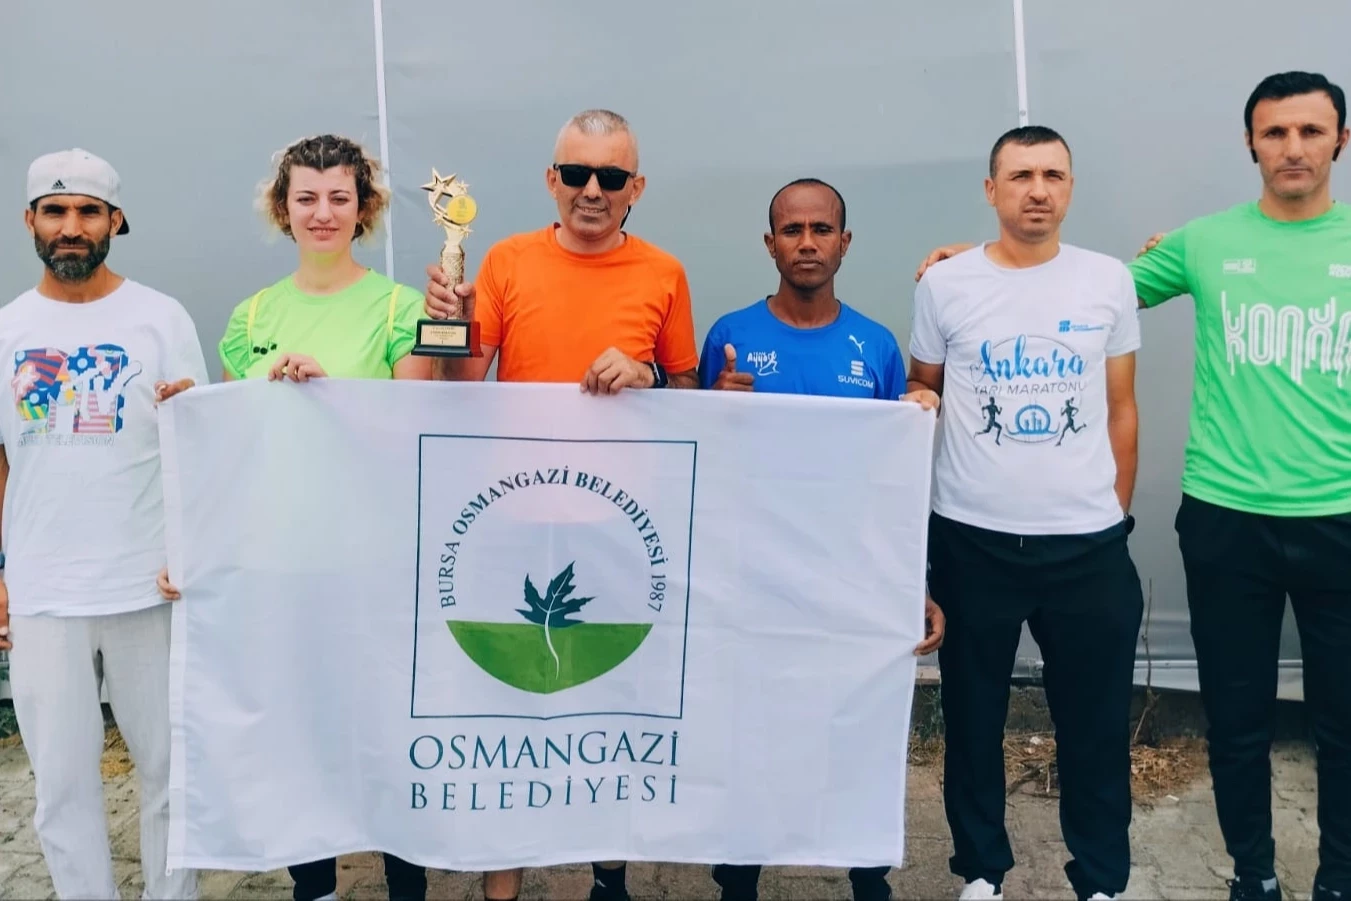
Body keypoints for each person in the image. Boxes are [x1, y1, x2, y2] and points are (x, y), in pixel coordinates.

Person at [916, 71, 1351, 901]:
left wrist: (1107, 514)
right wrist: (962, 261)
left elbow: (1085, 316)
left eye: (1308, 130)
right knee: (1233, 720)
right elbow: (1045, 284)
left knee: (1339, 719)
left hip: (1334, 513)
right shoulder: (1203, 243)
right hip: (1224, 517)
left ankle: (1331, 878)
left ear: (1340, 140)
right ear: (1250, 143)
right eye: (1274, 131)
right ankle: (1250, 875)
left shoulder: (1128, 275)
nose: (1291, 147)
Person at [421, 108, 699, 901]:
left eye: (610, 176)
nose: (591, 190)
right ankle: (501, 883)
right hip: (511, 519)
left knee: (610, 702)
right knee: (502, 701)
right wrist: (446, 325)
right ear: (551, 180)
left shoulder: (664, 273)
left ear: (635, 187)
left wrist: (649, 376)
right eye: (576, 173)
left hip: (619, 527)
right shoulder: (505, 260)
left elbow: (687, 388)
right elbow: (462, 384)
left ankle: (608, 874)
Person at [158, 134, 432, 901]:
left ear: (364, 208)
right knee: (294, 727)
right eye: (306, 197)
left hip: (371, 557)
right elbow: (234, 452)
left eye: (339, 197)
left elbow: (406, 429)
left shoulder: (400, 308)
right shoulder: (250, 317)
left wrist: (328, 394)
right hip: (278, 558)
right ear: (283, 208)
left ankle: (405, 883)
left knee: (380, 727)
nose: (322, 212)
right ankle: (315, 886)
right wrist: (191, 415)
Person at [907, 126, 1143, 901]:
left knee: (1094, 724)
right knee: (972, 719)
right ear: (990, 190)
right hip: (972, 540)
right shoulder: (944, 285)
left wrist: (1113, 516)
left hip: (1086, 547)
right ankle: (980, 870)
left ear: (1070, 187)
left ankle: (1100, 879)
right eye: (1019, 175)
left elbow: (1120, 406)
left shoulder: (1106, 280)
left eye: (1051, 174)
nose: (1036, 189)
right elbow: (922, 390)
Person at [698, 177, 946, 901]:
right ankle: (737, 877)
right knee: (750, 729)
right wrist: (714, 408)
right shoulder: (731, 337)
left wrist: (915, 584)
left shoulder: (875, 346)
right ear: (769, 242)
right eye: (792, 229)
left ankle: (867, 874)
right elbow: (702, 463)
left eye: (821, 229)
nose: (806, 243)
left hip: (849, 578)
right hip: (754, 576)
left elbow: (893, 485)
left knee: (855, 725)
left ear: (844, 242)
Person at [0, 148, 205, 899]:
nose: (71, 227)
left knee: (170, 773)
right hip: (43, 590)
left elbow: (197, 443)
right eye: (55, 211)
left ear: (115, 221)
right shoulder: (8, 328)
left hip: (149, 583)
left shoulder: (160, 317)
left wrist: (191, 553)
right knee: (60, 785)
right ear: (30, 221)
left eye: (88, 211)